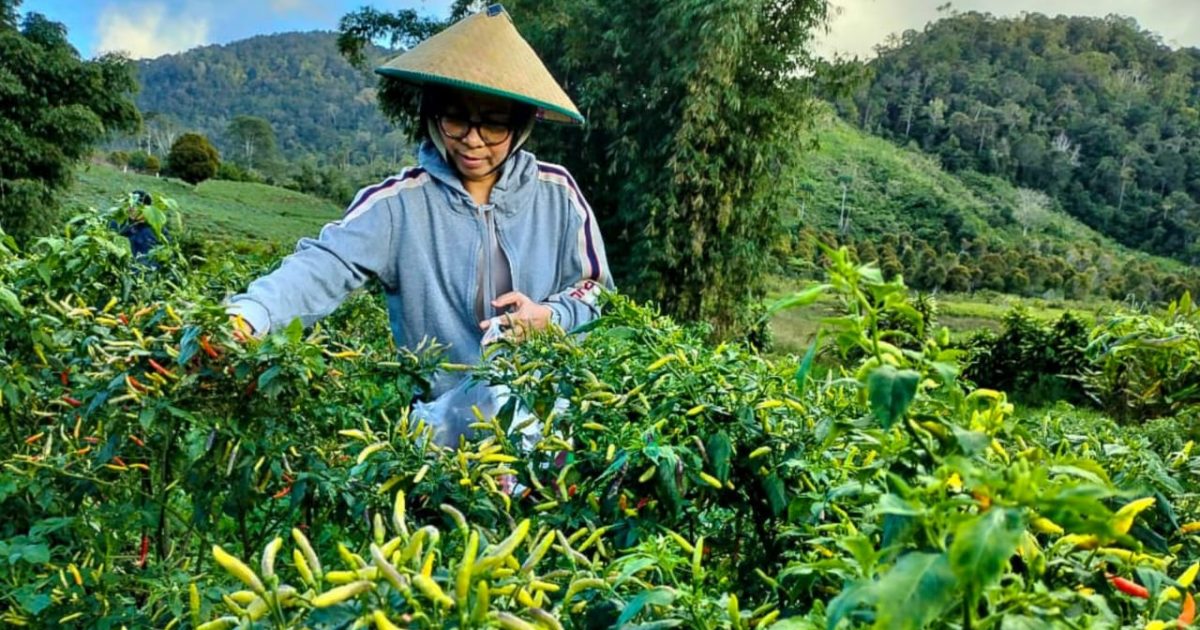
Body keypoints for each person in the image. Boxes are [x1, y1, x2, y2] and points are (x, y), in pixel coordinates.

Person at [226, 5, 613, 397]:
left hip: (546, 419)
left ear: (521, 127)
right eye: (456, 119)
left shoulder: (557, 193)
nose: (473, 140)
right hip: (438, 437)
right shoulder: (398, 206)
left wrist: (552, 317)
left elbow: (594, 289)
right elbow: (325, 264)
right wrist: (252, 314)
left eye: (495, 123)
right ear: (433, 116)